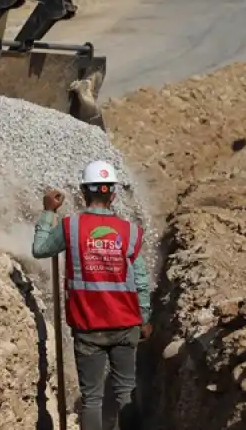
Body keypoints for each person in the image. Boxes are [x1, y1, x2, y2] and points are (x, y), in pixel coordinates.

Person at [31, 160, 152, 430]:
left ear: (83, 192)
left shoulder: (70, 226)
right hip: (126, 323)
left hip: (88, 326)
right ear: (114, 194)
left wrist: (49, 213)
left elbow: (40, 249)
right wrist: (144, 317)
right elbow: (140, 279)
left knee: (92, 399)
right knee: (126, 394)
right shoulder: (130, 232)